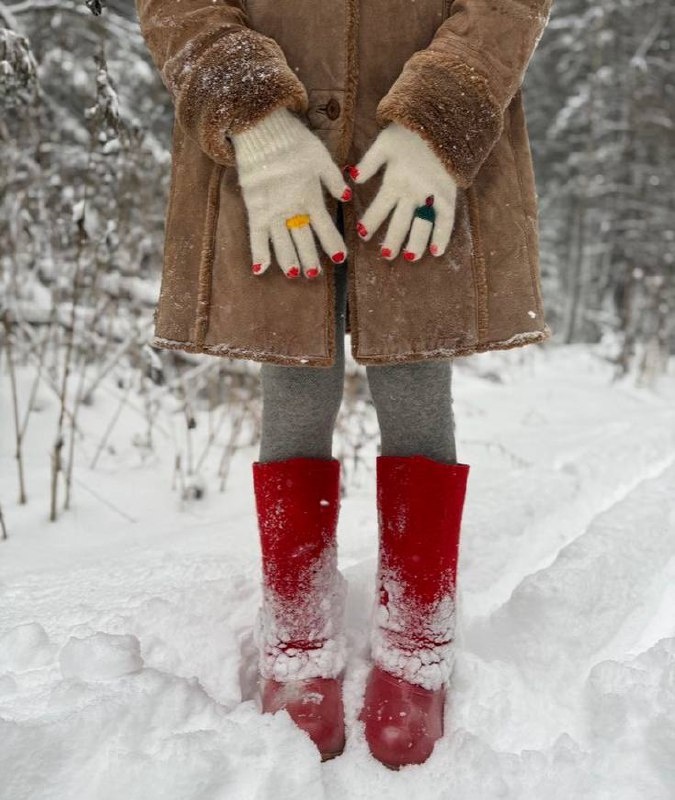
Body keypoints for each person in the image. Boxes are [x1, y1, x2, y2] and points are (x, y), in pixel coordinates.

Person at [135, 0, 552, 769]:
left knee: (413, 359)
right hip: (268, 153)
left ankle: (417, 633)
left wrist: (441, 113)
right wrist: (254, 120)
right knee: (292, 364)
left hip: (419, 145)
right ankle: (296, 625)